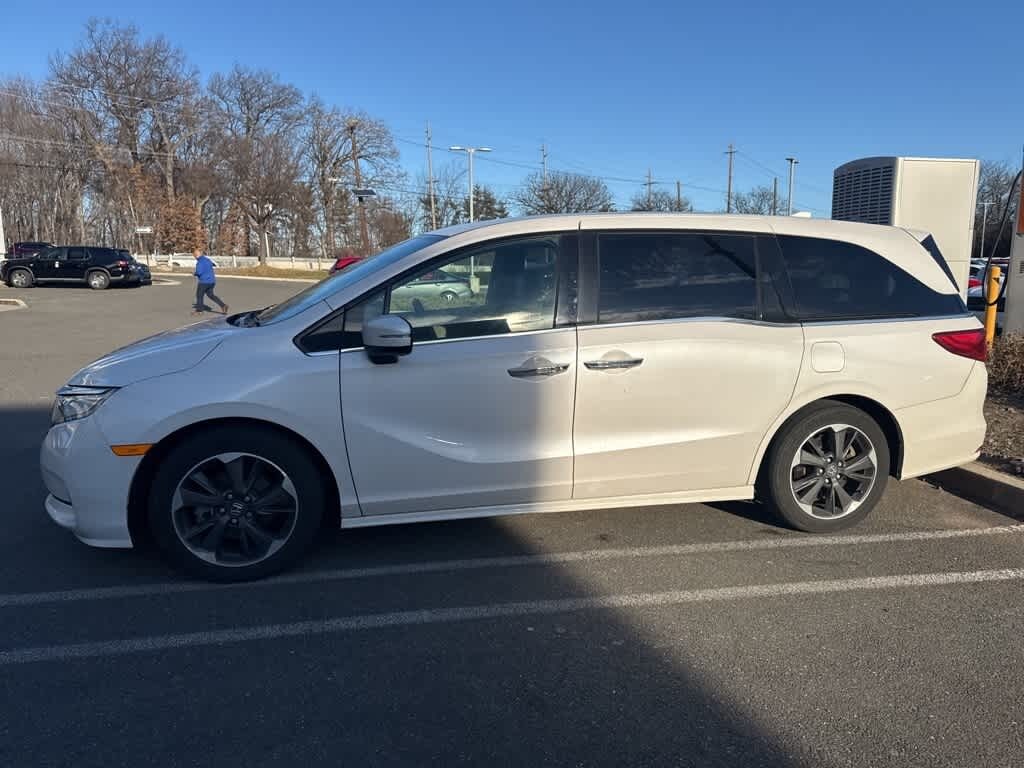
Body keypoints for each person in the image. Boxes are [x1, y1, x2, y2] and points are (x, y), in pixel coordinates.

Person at [191, 248, 228, 314]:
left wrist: (194, 273)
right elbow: (213, 265)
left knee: (199, 295)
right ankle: (223, 305)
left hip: (204, 282)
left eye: (194, 255)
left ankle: (199, 310)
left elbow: (199, 272)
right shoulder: (207, 260)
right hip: (212, 281)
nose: (194, 257)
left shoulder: (200, 262)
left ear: (197, 255)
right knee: (211, 295)